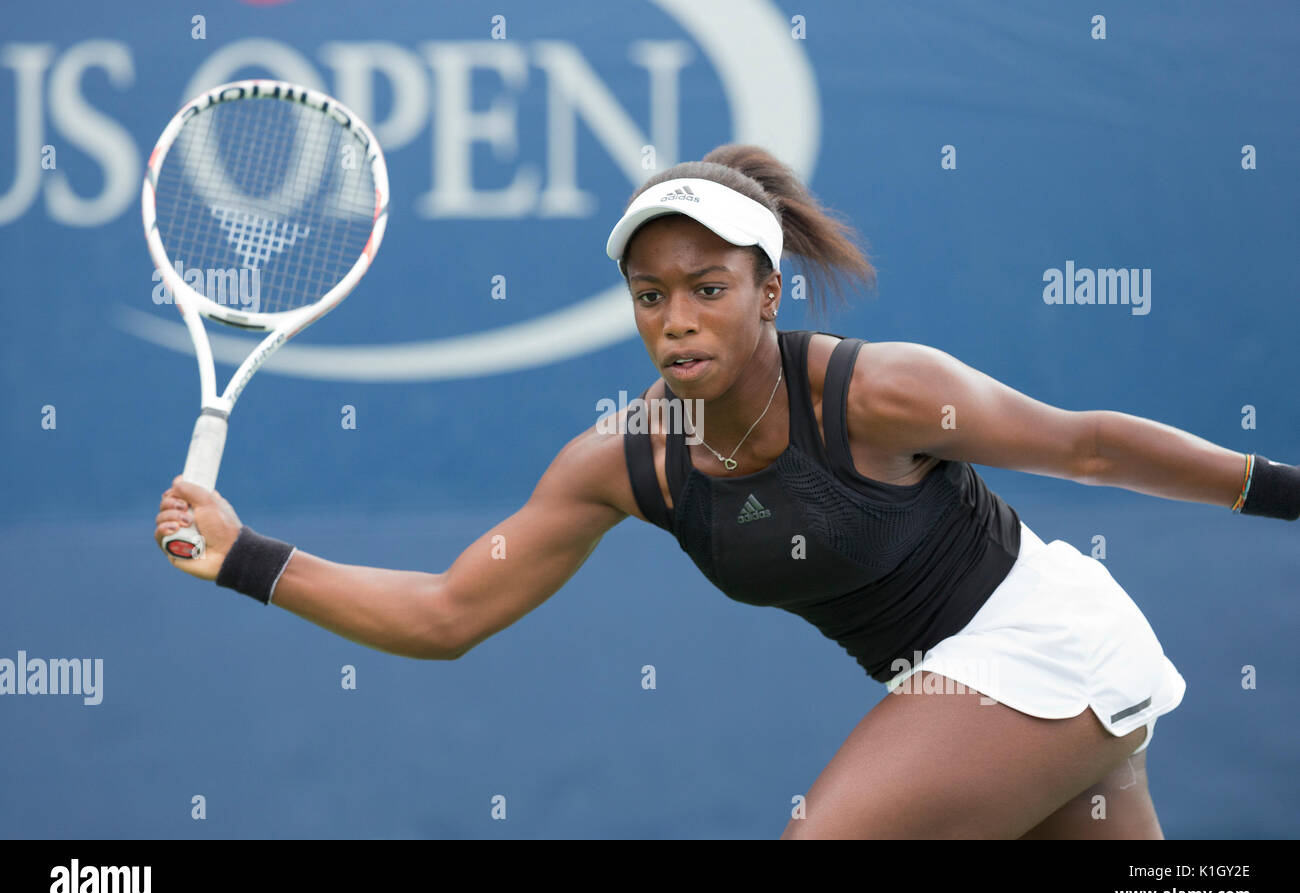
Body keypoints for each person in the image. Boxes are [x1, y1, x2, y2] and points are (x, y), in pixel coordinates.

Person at [155, 143, 1299, 839]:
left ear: (768, 289)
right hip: (997, 701)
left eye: (707, 286)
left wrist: (1288, 493)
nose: (677, 319)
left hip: (1045, 640)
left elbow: (1088, 445)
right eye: (650, 295)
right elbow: (448, 613)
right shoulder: (623, 461)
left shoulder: (880, 390)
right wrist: (247, 554)